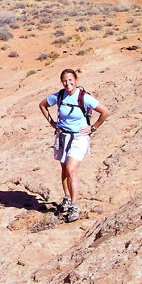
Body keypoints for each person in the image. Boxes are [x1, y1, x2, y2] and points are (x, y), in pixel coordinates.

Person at [38, 68, 110, 222]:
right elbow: (42, 105)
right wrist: (52, 123)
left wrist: (93, 127)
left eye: (70, 80)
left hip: (79, 137)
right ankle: (67, 197)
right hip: (63, 136)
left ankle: (74, 205)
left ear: (76, 80)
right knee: (64, 168)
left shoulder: (84, 98)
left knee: (71, 169)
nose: (68, 83)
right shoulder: (59, 96)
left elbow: (105, 112)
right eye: (65, 80)